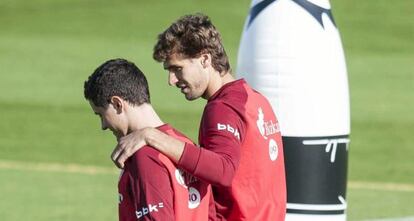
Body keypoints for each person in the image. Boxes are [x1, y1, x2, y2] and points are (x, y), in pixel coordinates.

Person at [111, 14, 286, 221]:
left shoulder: (222, 108)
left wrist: (152, 136)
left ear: (205, 59)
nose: (172, 80)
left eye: (178, 69)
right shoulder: (255, 100)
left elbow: (223, 170)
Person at [84, 58, 216, 221]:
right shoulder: (183, 145)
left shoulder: (145, 157)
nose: (103, 125)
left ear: (117, 104)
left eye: (101, 115)